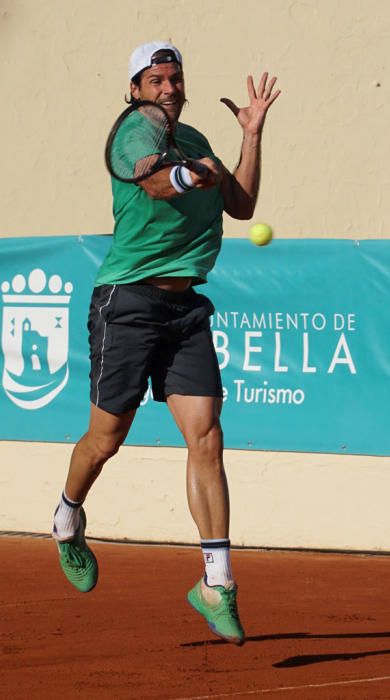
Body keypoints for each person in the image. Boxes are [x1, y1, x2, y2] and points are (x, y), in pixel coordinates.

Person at [52, 40, 280, 646]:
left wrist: (251, 136)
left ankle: (217, 583)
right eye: (156, 79)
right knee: (107, 438)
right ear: (135, 89)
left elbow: (243, 203)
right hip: (126, 303)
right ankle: (67, 516)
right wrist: (191, 173)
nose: (169, 88)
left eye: (175, 78)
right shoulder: (133, 130)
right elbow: (157, 183)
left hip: (185, 308)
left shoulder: (199, 140)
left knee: (206, 434)